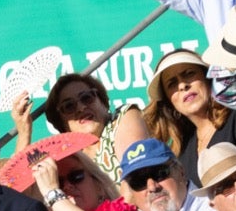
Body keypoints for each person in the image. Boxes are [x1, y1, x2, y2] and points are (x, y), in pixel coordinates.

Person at [145, 48, 236, 188]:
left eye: (189, 74)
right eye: (172, 84)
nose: (182, 85)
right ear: (169, 102)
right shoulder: (182, 152)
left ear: (207, 77)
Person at [14, 73, 152, 181]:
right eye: (69, 106)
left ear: (102, 102)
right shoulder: (65, 155)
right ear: (62, 123)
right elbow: (16, 185)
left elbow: (135, 174)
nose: (81, 108)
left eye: (86, 98)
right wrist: (24, 131)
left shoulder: (123, 117)